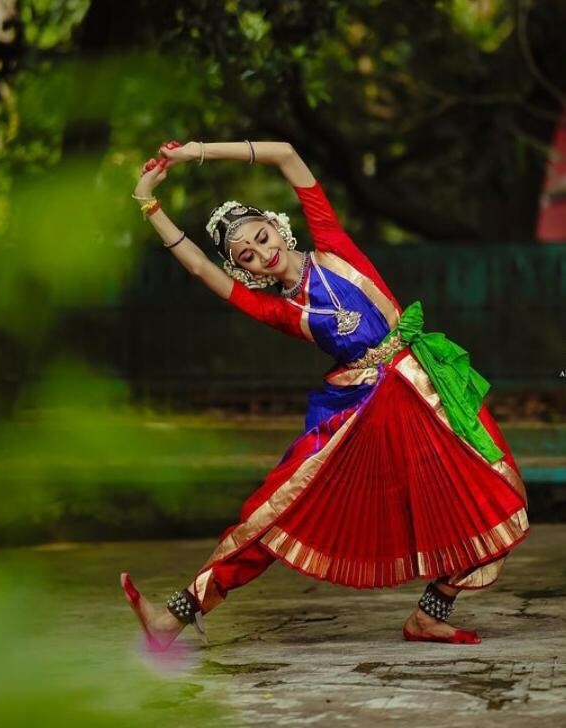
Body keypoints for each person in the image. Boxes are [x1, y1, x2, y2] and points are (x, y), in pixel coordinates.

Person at [120, 139, 530, 649]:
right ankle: (175, 615)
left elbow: (286, 155)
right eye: (248, 255)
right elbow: (202, 269)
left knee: (498, 492)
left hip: (430, 384)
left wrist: (196, 152)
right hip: (362, 412)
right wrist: (148, 203)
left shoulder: (333, 245)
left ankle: (431, 613)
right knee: (281, 507)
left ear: (277, 225)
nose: (263, 252)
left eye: (262, 236)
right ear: (245, 270)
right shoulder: (278, 310)